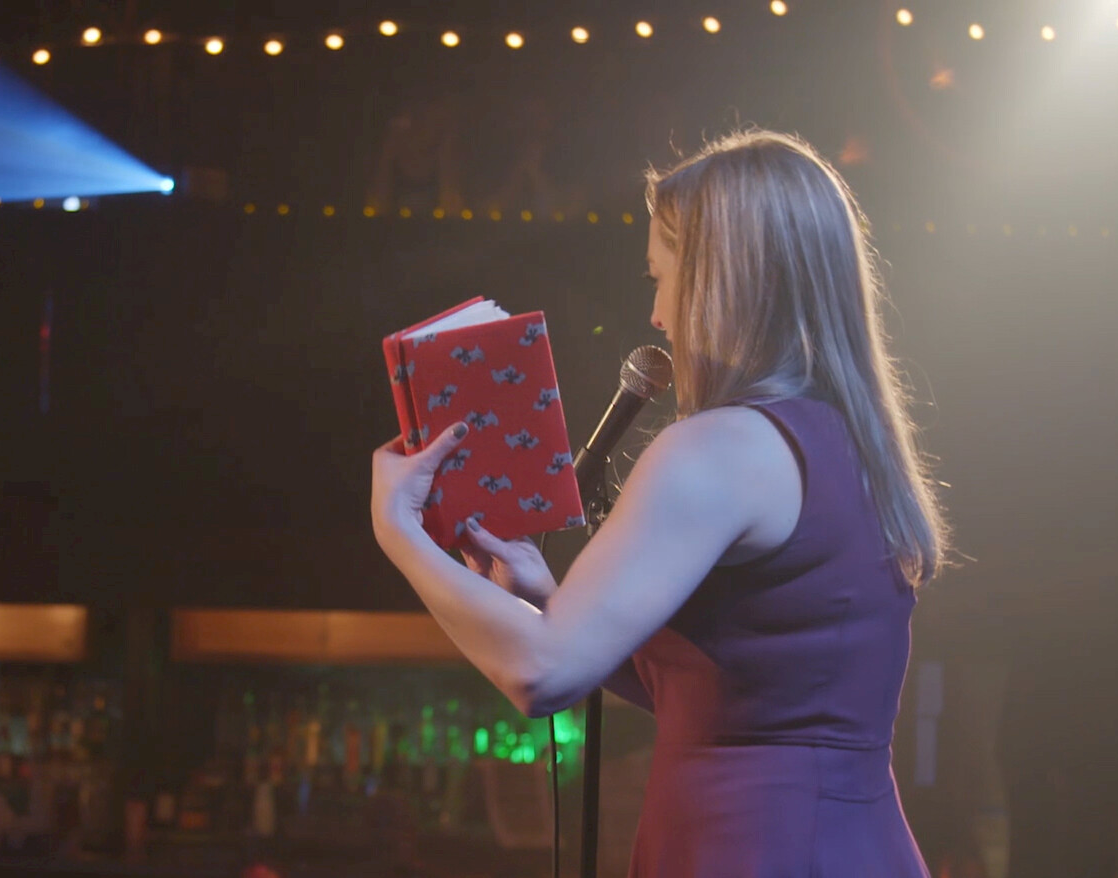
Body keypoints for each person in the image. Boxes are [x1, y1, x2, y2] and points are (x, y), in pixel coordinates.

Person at [371, 128, 949, 877]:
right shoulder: (852, 444)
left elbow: (540, 674)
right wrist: (551, 602)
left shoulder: (719, 448)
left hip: (752, 848)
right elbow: (732, 693)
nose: (656, 313)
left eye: (661, 276)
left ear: (722, 279)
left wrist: (398, 530)